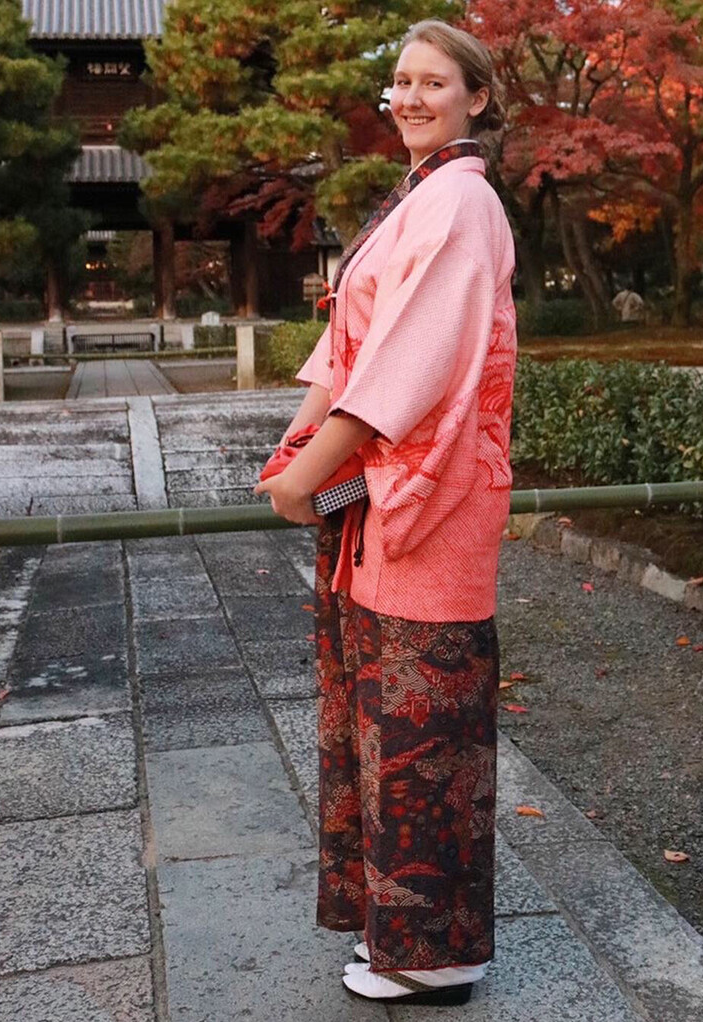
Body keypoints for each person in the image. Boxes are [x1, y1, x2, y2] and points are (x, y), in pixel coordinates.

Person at [253, 18, 515, 1007]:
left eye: (432, 84)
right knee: (381, 717)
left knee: (423, 725)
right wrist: (293, 450)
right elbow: (345, 355)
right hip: (387, 491)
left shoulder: (459, 204)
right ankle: (397, 927)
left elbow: (403, 371)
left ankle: (437, 950)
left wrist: (307, 471)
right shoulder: (417, 199)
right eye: (398, 84)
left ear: (475, 99)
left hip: (433, 497)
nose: (408, 98)